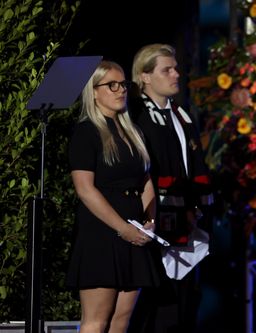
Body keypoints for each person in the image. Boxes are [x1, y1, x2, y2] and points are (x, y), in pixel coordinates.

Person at [66, 60, 160, 333]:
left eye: (124, 85)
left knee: (121, 322)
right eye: (112, 85)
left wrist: (149, 220)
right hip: (102, 231)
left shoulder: (133, 132)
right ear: (93, 91)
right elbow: (85, 189)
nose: (121, 91)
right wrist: (122, 229)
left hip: (135, 230)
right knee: (97, 321)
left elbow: (146, 181)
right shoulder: (87, 132)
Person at [127, 43, 213, 333]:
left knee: (184, 304)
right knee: (155, 305)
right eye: (167, 70)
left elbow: (195, 166)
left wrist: (199, 207)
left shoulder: (181, 115)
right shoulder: (137, 117)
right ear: (145, 76)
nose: (177, 74)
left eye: (176, 68)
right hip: (153, 224)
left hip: (185, 222)